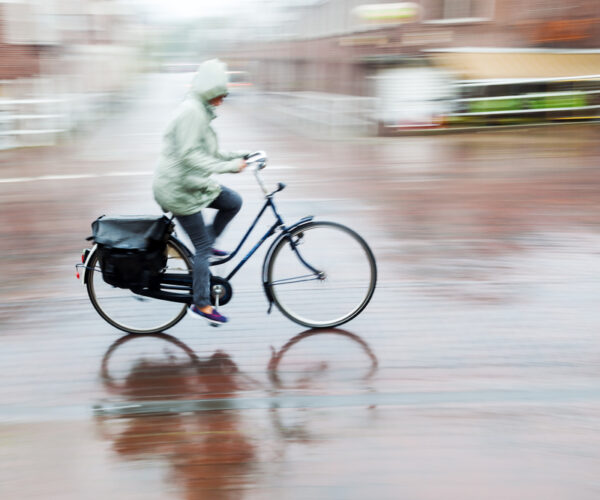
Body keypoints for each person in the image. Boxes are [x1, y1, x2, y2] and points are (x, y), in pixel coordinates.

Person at [153, 59, 247, 326]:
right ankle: (201, 303)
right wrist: (229, 167)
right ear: (209, 89)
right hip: (178, 189)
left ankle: (205, 246)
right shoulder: (192, 112)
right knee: (202, 248)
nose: (223, 99)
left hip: (190, 183)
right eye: (221, 94)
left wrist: (242, 155)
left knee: (233, 201)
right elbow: (190, 156)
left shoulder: (200, 110)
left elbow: (212, 152)